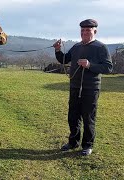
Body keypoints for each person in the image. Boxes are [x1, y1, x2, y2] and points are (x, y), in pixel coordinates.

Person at [53, 19, 113, 156]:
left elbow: (108, 67)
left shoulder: (101, 47)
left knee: (88, 117)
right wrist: (57, 50)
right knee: (73, 116)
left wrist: (90, 65)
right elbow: (64, 59)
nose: (84, 32)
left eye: (88, 30)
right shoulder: (76, 47)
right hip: (74, 87)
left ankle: (87, 145)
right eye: (82, 30)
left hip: (91, 88)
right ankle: (73, 142)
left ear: (95, 31)